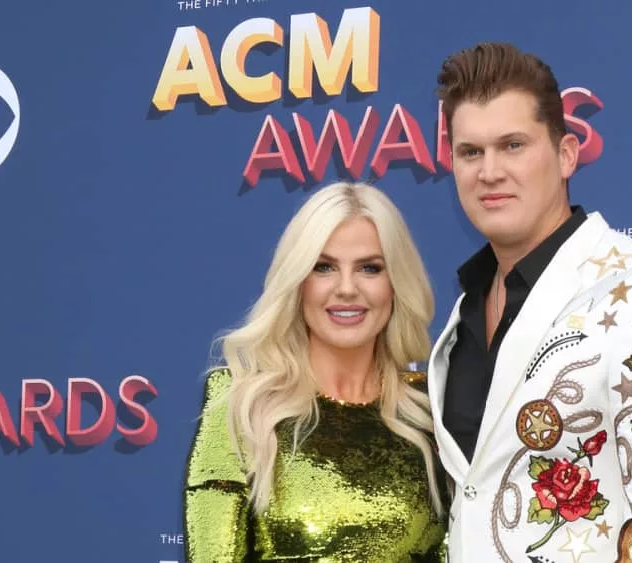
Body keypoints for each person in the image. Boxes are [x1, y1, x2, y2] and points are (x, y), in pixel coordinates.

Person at [427, 42, 632, 563]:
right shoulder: (463, 313)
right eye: (470, 152)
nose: (488, 171)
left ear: (565, 155)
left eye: (512, 145)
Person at [182, 181, 448, 562]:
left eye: (369, 268)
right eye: (323, 267)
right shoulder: (240, 405)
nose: (346, 288)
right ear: (298, 282)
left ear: (396, 283)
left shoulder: (434, 409)